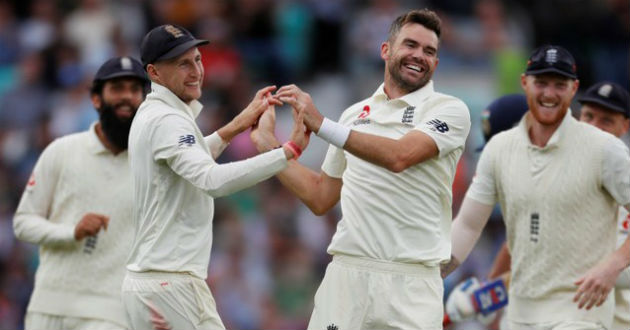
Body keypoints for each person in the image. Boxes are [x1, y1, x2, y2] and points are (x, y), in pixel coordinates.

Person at [252, 9, 471, 329]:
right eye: (410, 45)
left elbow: (400, 156)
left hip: (411, 283)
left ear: (436, 64)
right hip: (347, 279)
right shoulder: (354, 114)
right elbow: (320, 196)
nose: (419, 56)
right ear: (386, 50)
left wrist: (322, 124)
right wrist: (268, 145)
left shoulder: (448, 110)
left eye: (429, 51)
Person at [121, 24, 308, 330]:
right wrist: (287, 151)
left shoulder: (155, 114)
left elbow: (186, 163)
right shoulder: (168, 120)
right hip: (168, 286)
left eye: (197, 59)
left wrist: (236, 125)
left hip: (164, 283)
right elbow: (211, 180)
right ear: (154, 73)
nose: (196, 71)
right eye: (183, 63)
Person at [442, 45, 630, 330]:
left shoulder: (606, 156)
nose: (597, 126)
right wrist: (431, 279)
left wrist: (486, 297)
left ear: (573, 89)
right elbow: (516, 240)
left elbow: (605, 269)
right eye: (590, 116)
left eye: (607, 119)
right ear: (525, 84)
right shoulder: (507, 153)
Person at [13, 56, 149, 330]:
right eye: (117, 88)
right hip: (48, 308)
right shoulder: (61, 151)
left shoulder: (151, 165)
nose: (127, 97)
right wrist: (71, 232)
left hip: (110, 314)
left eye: (135, 90)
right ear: (96, 99)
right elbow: (23, 223)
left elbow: (201, 163)